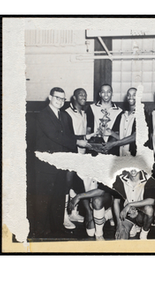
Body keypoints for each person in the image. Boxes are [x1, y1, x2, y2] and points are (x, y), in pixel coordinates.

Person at [33, 87, 89, 238]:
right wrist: (79, 142)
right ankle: (39, 230)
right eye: (57, 97)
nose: (59, 101)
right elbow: (56, 136)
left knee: (58, 197)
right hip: (45, 165)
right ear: (50, 97)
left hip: (61, 164)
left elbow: (69, 139)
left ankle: (57, 228)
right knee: (43, 198)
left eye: (62, 99)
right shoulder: (43, 115)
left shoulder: (65, 116)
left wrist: (73, 159)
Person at [64, 88, 96, 230]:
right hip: (71, 154)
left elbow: (85, 133)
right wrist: (84, 138)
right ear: (74, 97)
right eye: (81, 95)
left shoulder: (84, 112)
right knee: (67, 185)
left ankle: (73, 213)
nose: (84, 97)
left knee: (77, 185)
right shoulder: (67, 113)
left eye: (85, 94)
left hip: (83, 155)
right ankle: (64, 216)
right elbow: (68, 137)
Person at [112, 168, 155, 240]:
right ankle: (132, 225)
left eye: (136, 166)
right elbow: (116, 201)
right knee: (121, 238)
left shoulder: (149, 178)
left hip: (141, 213)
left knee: (149, 209)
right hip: (127, 212)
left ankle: (143, 234)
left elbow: (151, 201)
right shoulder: (120, 178)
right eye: (131, 166)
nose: (133, 169)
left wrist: (130, 205)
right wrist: (119, 225)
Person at [86, 84, 123, 155]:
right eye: (103, 92)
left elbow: (119, 134)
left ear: (112, 93)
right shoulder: (92, 108)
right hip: (94, 147)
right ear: (100, 94)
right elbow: (88, 129)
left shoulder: (119, 111)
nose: (106, 94)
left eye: (108, 92)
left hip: (111, 148)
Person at [102, 87, 137, 156]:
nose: (131, 97)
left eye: (134, 95)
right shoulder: (122, 115)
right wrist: (112, 133)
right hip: (121, 154)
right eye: (129, 95)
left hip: (134, 156)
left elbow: (135, 136)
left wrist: (113, 144)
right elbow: (121, 137)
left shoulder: (143, 115)